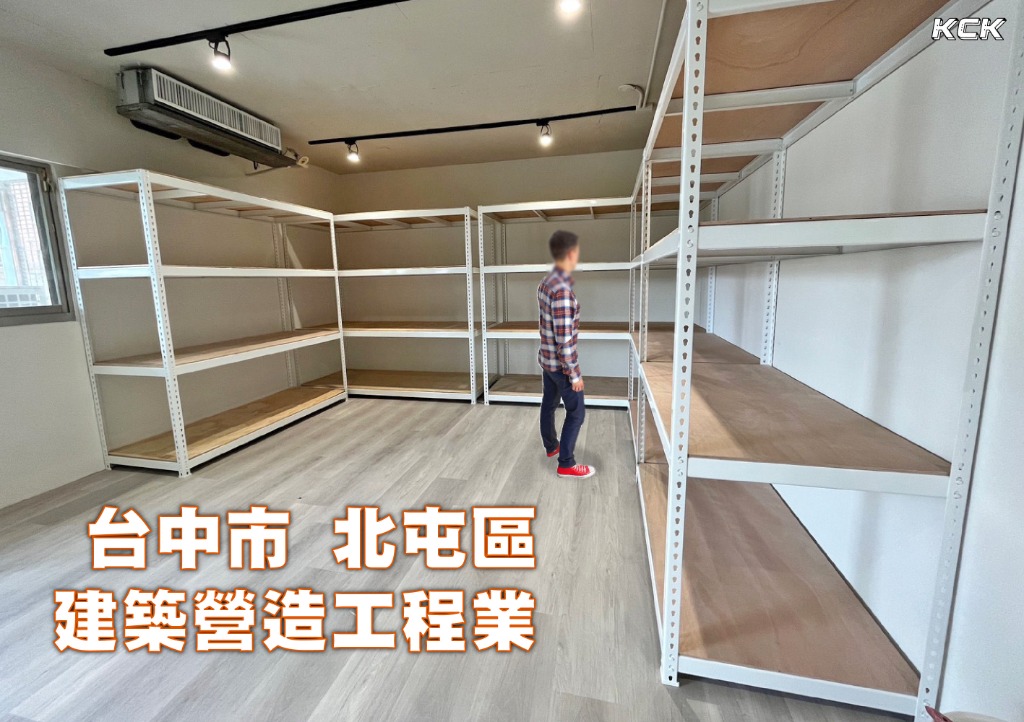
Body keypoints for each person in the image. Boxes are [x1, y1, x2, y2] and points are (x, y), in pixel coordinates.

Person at [537, 230, 596, 479]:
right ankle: (566, 464)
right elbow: (563, 339)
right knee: (576, 412)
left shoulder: (546, 282)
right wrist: (574, 375)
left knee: (549, 403)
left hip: (547, 361)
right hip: (561, 367)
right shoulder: (561, 291)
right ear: (571, 253)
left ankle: (552, 446)